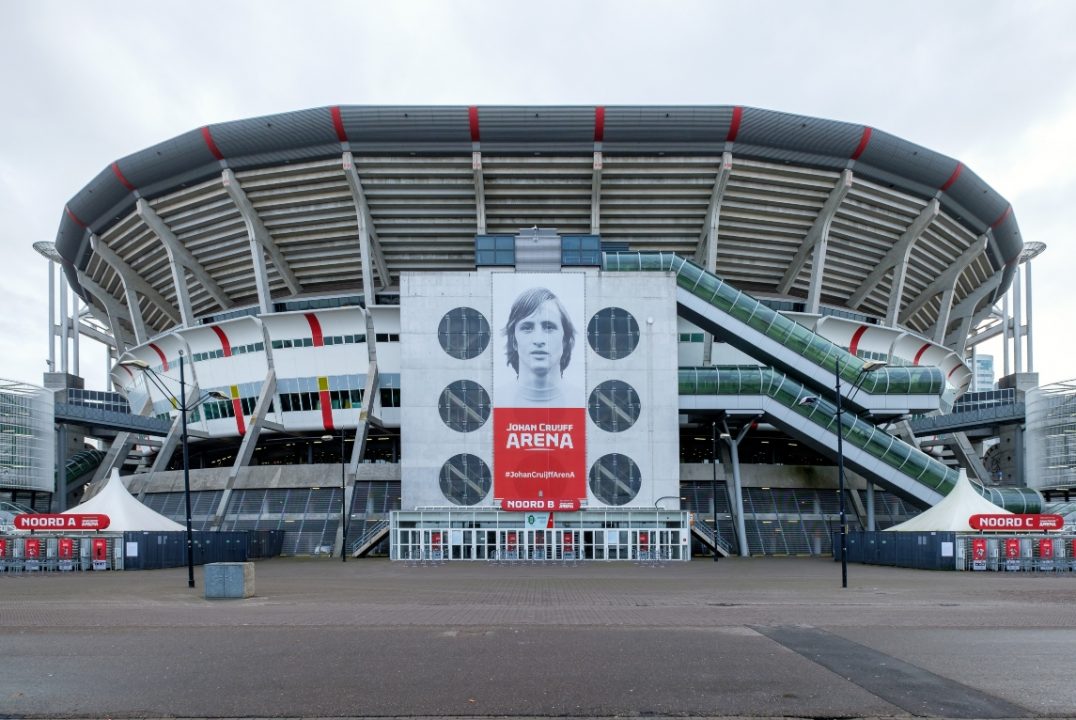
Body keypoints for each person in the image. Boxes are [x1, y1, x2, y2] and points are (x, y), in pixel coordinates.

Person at [502, 287, 578, 407]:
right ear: (514, 341)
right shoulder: (497, 401)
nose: (538, 340)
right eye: (527, 328)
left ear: (565, 339)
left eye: (549, 327)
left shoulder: (582, 402)